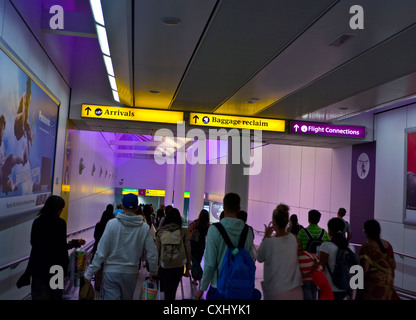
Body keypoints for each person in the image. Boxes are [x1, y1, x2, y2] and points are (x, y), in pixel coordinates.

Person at [84, 193, 158, 300]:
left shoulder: (112, 224)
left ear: (122, 206)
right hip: (131, 273)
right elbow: (152, 252)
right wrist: (153, 272)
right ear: (137, 208)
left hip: (111, 272)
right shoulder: (144, 227)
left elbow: (101, 251)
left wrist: (90, 273)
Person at [18, 195, 85, 300]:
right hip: (56, 268)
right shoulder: (60, 223)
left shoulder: (37, 222)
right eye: (61, 208)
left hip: (39, 267)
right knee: (55, 296)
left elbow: (33, 243)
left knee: (39, 296)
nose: (61, 211)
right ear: (57, 209)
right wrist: (72, 244)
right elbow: (60, 246)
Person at [195, 193, 258, 300]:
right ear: (239, 208)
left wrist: (202, 288)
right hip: (240, 288)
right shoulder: (248, 231)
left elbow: (210, 264)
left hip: (218, 287)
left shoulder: (214, 230)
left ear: (224, 207)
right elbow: (250, 259)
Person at [257, 206, 303, 300]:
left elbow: (259, 258)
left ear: (273, 222)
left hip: (276, 292)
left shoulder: (268, 242)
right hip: (296, 291)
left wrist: (266, 236)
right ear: (287, 222)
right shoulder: (293, 238)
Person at [356, 219, 399, 300]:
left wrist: (357, 290)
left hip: (373, 289)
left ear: (366, 232)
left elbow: (364, 270)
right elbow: (393, 266)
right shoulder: (387, 245)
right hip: (388, 287)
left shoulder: (366, 247)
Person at [155, 208, 191, 300]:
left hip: (164, 265)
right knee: (173, 290)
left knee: (167, 290)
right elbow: (188, 250)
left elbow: (157, 250)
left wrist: (154, 268)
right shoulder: (183, 231)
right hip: (178, 265)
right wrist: (188, 269)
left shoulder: (160, 232)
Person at [319, 217, 356, 300]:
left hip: (327, 289)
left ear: (329, 230)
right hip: (344, 289)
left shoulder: (325, 246)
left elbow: (321, 268)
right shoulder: (350, 248)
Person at [297, 209, 329, 299]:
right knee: (315, 290)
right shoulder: (324, 233)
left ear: (308, 219)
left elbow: (298, 248)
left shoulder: (302, 232)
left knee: (305, 290)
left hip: (305, 268)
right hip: (318, 267)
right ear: (319, 220)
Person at [0, 114, 27, 194]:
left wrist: (21, 161)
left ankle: (8, 185)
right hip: (2, 171)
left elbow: (5, 159)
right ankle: (8, 185)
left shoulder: (2, 144)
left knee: (11, 161)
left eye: (3, 129)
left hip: (3, 170)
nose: (2, 132)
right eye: (1, 129)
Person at [91, 204, 115, 291]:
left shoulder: (98, 225)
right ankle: (106, 285)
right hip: (109, 250)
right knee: (107, 268)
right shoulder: (112, 226)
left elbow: (95, 236)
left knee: (98, 267)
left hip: (98, 248)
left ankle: (98, 284)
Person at [188, 209, 210, 286]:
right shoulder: (207, 225)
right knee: (197, 261)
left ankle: (200, 278)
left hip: (194, 244)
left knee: (195, 262)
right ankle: (196, 279)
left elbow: (189, 230)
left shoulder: (196, 222)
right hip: (201, 245)